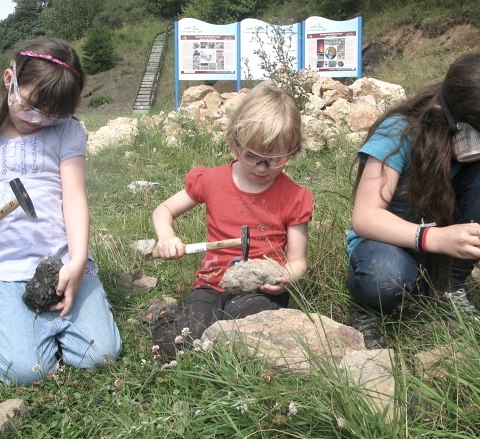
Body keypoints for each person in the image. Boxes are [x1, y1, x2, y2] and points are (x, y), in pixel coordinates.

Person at [150, 82, 314, 358]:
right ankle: (164, 320)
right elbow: (163, 210)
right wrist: (166, 236)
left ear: (293, 151)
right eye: (253, 156)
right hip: (210, 283)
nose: (262, 167)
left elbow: (298, 260)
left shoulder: (294, 197)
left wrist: (287, 277)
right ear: (234, 141)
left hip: (261, 290)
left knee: (247, 331)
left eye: (275, 159)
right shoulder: (212, 180)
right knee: (182, 342)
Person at [0, 38, 122, 384]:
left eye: (52, 113)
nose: (38, 120)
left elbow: (74, 197)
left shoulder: (65, 131)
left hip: (61, 260)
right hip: (5, 269)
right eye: (30, 106)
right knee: (24, 372)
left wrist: (78, 260)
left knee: (99, 356)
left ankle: (70, 308)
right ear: (10, 79)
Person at [347, 52, 480, 348]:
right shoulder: (397, 132)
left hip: (445, 247)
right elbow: (365, 216)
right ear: (462, 127)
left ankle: (449, 289)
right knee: (384, 278)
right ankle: (369, 308)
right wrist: (433, 238)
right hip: (389, 245)